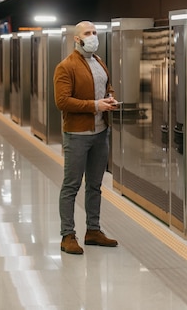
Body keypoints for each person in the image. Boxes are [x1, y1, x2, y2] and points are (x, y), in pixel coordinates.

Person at [53, 20, 120, 255]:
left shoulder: (99, 62)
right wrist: (95, 105)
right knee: (71, 186)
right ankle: (67, 235)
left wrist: (109, 98)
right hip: (77, 135)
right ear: (76, 38)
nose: (92, 36)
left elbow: (107, 87)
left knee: (95, 185)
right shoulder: (66, 67)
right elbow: (62, 101)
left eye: (94, 32)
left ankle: (93, 230)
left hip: (101, 133)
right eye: (87, 33)